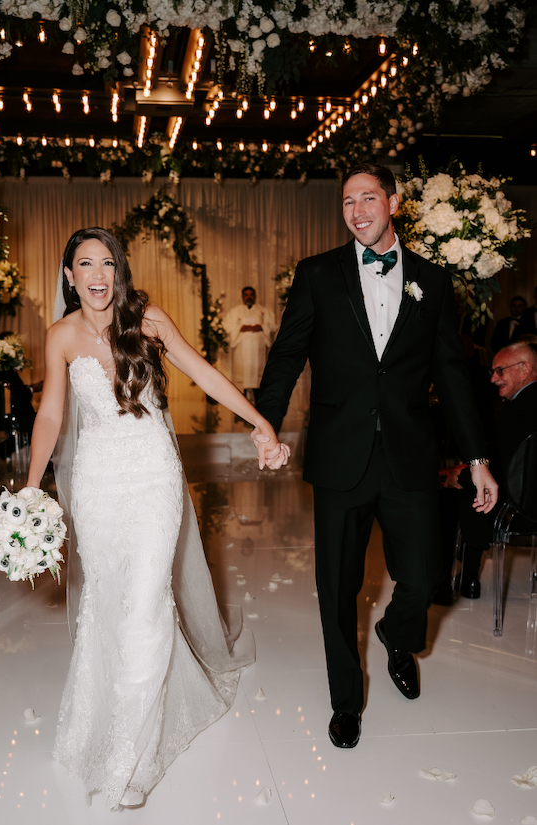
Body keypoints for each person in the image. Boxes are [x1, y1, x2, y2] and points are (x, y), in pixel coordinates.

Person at [25, 227, 289, 809]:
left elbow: (204, 372)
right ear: (69, 276)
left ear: (119, 271)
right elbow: (50, 415)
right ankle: (103, 717)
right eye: (85, 264)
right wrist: (29, 488)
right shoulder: (61, 336)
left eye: (107, 263)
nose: (98, 274)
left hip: (153, 477)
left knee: (146, 602)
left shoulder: (148, 321)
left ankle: (135, 758)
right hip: (96, 483)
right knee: (109, 602)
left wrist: (260, 421)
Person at [253, 163, 498, 750]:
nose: (357, 211)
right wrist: (265, 423)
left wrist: (478, 457)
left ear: (394, 202)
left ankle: (396, 635)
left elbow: (452, 375)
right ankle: (346, 701)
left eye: (368, 198)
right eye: (347, 202)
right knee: (337, 585)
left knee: (425, 576)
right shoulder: (318, 274)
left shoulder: (433, 281)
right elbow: (287, 355)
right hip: (340, 454)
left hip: (410, 453)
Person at [454, 341, 537, 597]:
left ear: (525, 369)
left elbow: (499, 472)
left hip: (522, 511)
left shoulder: (517, 411)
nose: (492, 378)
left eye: (500, 370)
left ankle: (466, 578)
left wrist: (461, 477)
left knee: (474, 495)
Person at [222, 286, 278, 402]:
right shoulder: (235, 311)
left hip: (258, 350)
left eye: (251, 294)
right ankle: (241, 404)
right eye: (246, 295)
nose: (249, 297)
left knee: (258, 377)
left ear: (255, 296)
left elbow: (273, 325)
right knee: (242, 377)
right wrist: (241, 327)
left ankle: (259, 404)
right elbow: (227, 325)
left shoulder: (263, 311)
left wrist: (261, 327)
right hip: (242, 349)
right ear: (242, 297)